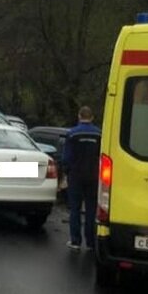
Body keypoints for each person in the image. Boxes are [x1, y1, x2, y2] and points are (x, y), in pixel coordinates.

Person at [62, 105, 101, 250]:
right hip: (93, 177)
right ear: (92, 117)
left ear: (79, 116)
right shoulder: (99, 134)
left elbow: (67, 157)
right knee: (91, 210)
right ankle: (90, 242)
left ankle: (75, 241)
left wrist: (67, 171)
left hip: (76, 176)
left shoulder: (72, 134)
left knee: (75, 209)